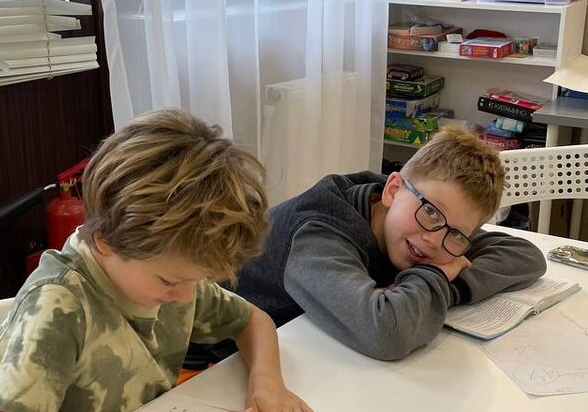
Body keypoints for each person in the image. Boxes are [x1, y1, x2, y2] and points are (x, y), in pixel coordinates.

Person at [0, 109, 325, 412]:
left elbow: (251, 319)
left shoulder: (160, 268)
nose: (187, 297)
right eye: (171, 281)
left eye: (198, 280)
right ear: (105, 242)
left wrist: (266, 382)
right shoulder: (56, 311)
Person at [233, 127, 546, 360]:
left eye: (455, 233)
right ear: (392, 190)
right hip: (226, 362)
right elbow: (385, 332)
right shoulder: (318, 230)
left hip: (313, 350)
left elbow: (526, 255)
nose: (434, 239)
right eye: (430, 212)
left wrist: (447, 287)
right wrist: (438, 275)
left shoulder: (417, 209)